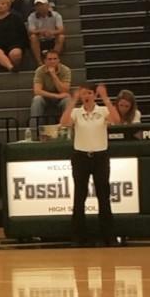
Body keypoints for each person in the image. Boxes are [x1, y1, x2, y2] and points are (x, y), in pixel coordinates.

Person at [60, 84, 120, 245]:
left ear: (95, 95)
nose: (87, 96)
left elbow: (116, 120)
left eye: (90, 93)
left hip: (100, 157)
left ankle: (109, 236)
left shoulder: (102, 111)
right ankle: (78, 237)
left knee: (103, 196)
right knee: (79, 197)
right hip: (81, 157)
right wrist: (73, 101)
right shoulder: (76, 112)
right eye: (84, 93)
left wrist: (106, 98)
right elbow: (64, 123)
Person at [29, 51, 72, 127]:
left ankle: (67, 128)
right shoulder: (40, 70)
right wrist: (55, 96)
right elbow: (37, 91)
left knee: (68, 100)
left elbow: (64, 91)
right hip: (46, 98)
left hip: (61, 99)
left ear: (59, 60)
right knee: (37, 99)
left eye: (55, 59)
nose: (52, 61)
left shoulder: (66, 70)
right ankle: (34, 130)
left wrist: (54, 75)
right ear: (45, 61)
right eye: (50, 59)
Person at [28, 0, 65, 66]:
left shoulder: (56, 15)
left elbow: (61, 29)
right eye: (38, 5)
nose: (40, 7)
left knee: (61, 37)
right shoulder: (32, 16)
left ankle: (53, 60)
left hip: (53, 39)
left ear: (47, 5)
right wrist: (41, 31)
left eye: (42, 5)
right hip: (40, 40)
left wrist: (52, 32)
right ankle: (39, 62)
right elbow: (31, 30)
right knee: (33, 37)